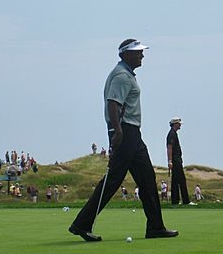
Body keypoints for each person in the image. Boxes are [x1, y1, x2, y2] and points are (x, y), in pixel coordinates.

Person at [69, 39, 178, 242]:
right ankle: (81, 224)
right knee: (113, 180)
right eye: (138, 52)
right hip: (125, 131)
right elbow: (113, 104)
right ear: (125, 55)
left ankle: (155, 226)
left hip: (132, 133)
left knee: (147, 178)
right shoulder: (121, 76)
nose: (142, 55)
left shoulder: (125, 74)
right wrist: (117, 132)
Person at [166, 117, 192, 205]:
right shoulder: (171, 134)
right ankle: (186, 201)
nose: (180, 125)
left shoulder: (174, 133)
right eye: (179, 123)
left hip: (177, 159)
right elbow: (169, 148)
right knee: (181, 180)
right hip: (175, 160)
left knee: (176, 180)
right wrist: (170, 161)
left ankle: (175, 200)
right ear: (175, 124)